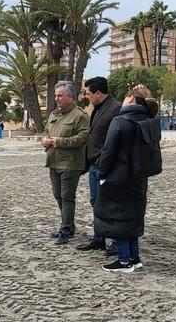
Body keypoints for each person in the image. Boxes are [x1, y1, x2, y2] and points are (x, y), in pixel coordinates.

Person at [94, 85, 162, 273]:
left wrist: (102, 174)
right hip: (139, 176)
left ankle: (124, 261)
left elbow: (108, 151)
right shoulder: (149, 121)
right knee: (133, 217)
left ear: (131, 98)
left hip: (118, 176)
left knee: (119, 218)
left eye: (125, 96)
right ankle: (134, 257)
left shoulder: (120, 121)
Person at [76, 76, 121, 253]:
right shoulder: (97, 108)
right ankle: (99, 237)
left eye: (88, 93)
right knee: (96, 202)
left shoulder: (116, 109)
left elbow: (116, 139)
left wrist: (104, 160)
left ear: (99, 93)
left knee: (111, 203)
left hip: (107, 166)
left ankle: (118, 239)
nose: (87, 96)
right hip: (94, 165)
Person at [43, 81, 90, 245]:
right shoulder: (54, 114)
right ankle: (69, 226)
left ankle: (65, 230)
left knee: (67, 197)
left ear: (71, 97)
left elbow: (83, 138)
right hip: (53, 161)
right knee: (58, 195)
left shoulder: (80, 115)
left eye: (60, 95)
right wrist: (44, 140)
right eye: (55, 95)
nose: (56, 98)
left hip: (70, 163)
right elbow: (46, 131)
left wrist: (60, 142)